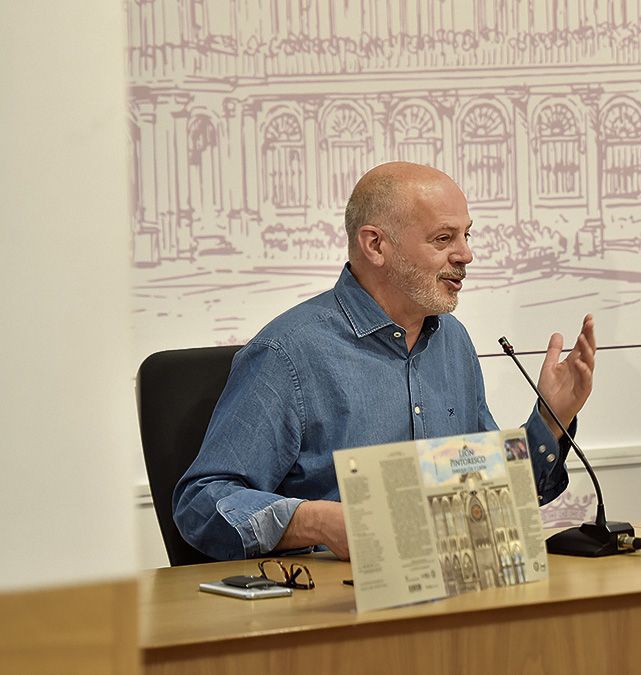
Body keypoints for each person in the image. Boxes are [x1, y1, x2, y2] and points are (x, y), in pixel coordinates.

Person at [174, 162, 596, 560]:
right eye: (444, 239)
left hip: (450, 594)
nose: (466, 255)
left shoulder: (452, 341)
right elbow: (202, 504)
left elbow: (485, 489)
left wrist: (551, 421)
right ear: (375, 245)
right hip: (334, 609)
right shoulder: (287, 353)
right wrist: (318, 522)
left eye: (468, 235)